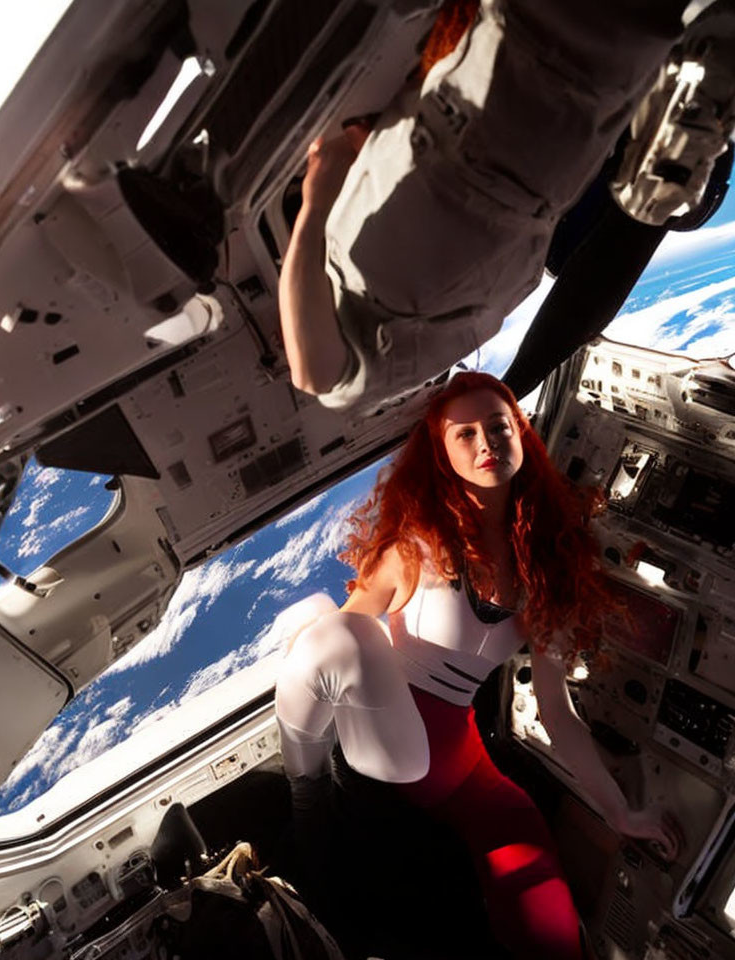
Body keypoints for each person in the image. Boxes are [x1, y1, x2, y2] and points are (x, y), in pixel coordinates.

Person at [273, 371, 683, 959]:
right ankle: (304, 788)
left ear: (522, 432)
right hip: (388, 749)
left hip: (464, 771)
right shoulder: (412, 547)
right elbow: (338, 653)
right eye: (463, 434)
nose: (486, 442)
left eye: (498, 425)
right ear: (441, 454)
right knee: (330, 625)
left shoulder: (548, 565)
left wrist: (622, 813)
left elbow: (555, 712)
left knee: (551, 922)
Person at [279, 0, 692, 411]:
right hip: (495, 142)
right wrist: (316, 202)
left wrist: (374, 153)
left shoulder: (377, 289)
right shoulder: (361, 368)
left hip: (507, 150)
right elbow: (313, 376)